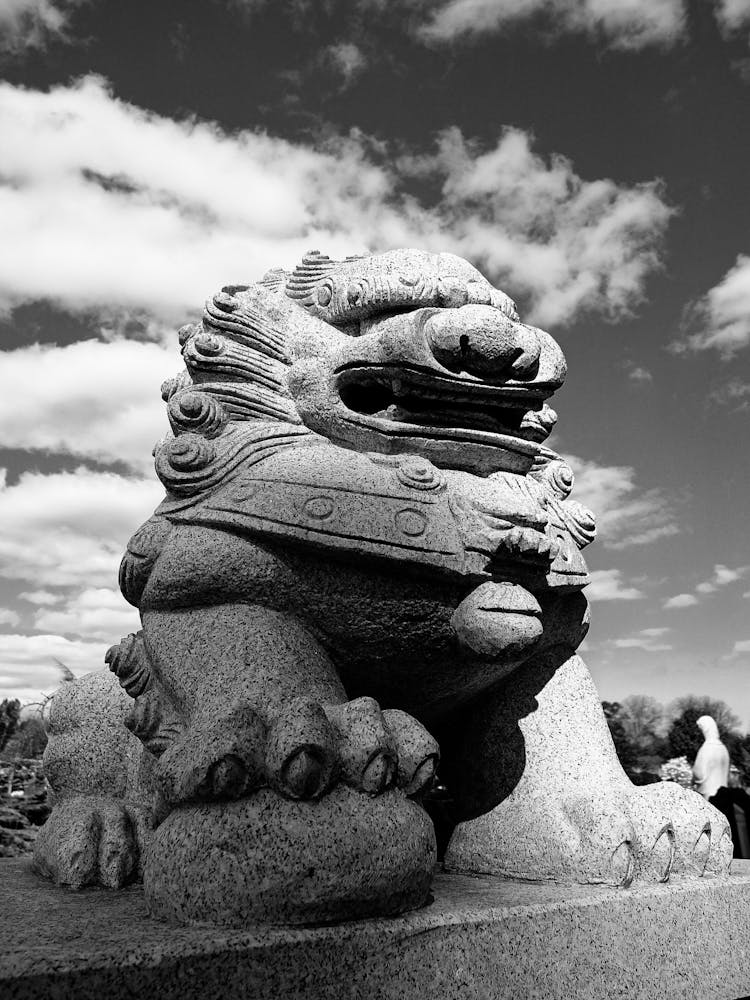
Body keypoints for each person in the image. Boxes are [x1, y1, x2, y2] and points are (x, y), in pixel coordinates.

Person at [692, 715, 730, 799]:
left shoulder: (706, 748)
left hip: (708, 795)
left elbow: (699, 773)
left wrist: (693, 778)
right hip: (723, 795)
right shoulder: (723, 749)